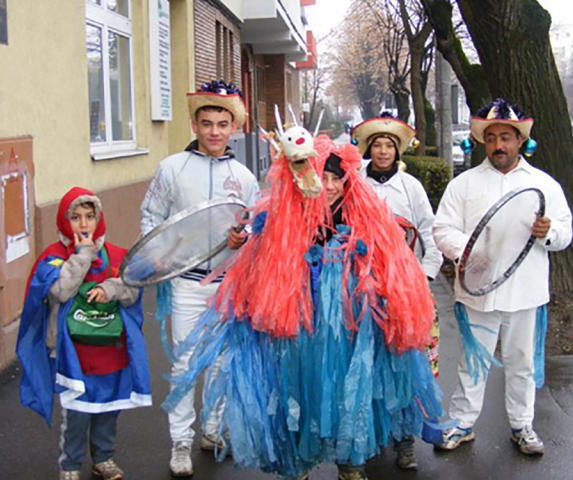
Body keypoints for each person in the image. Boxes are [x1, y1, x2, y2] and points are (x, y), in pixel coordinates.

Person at [161, 133, 442, 480]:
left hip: (348, 316)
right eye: (320, 177)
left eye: (334, 178)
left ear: (346, 179)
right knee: (297, 382)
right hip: (300, 313)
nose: (327, 186)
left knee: (346, 384)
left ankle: (349, 462)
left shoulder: (362, 211)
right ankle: (298, 462)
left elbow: (390, 257)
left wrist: (362, 259)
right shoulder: (288, 213)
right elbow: (261, 252)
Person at [432, 98, 573, 456]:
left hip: (525, 291)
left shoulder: (544, 184)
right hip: (477, 291)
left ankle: (522, 425)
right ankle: (462, 423)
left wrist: (549, 230)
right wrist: (470, 251)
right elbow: (443, 228)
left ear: (519, 140)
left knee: (521, 363)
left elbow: (565, 232)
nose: (498, 145)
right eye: (492, 137)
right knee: (471, 363)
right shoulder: (464, 184)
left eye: (506, 137)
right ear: (484, 141)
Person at [140, 80, 259, 477]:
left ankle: (211, 429)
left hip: (228, 285)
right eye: (206, 123)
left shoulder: (244, 176)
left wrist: (244, 239)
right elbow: (150, 218)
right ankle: (180, 442)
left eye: (222, 124)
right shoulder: (171, 168)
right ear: (194, 124)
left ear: (233, 127)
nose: (214, 131)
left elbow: (255, 226)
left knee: (222, 363)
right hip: (186, 283)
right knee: (185, 365)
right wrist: (159, 258)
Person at [17, 187, 151, 480]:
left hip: (109, 347)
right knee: (77, 413)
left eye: (90, 216)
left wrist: (110, 288)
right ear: (65, 222)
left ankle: (103, 459)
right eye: (75, 217)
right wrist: (83, 256)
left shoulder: (116, 255)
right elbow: (61, 291)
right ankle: (71, 465)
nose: (84, 224)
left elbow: (132, 291)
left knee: (108, 407)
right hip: (72, 352)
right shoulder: (52, 258)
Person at [352, 113, 442, 470]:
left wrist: (423, 277)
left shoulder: (412, 188)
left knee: (407, 364)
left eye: (390, 145)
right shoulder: (354, 183)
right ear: (369, 148)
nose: (384, 150)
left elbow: (430, 232)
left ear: (398, 150)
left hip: (407, 291)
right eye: (377, 144)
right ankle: (374, 435)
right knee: (369, 365)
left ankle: (405, 440)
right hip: (364, 291)